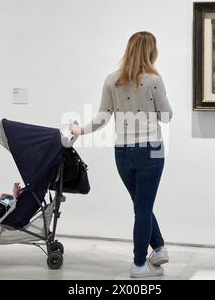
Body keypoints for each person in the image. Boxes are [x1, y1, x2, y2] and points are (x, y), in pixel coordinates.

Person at [69, 31, 173, 278]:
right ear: (151, 51)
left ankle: (158, 249)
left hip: (122, 151)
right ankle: (139, 265)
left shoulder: (111, 79)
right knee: (143, 208)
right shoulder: (153, 80)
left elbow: (102, 117)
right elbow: (167, 116)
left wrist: (80, 130)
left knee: (141, 205)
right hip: (151, 149)